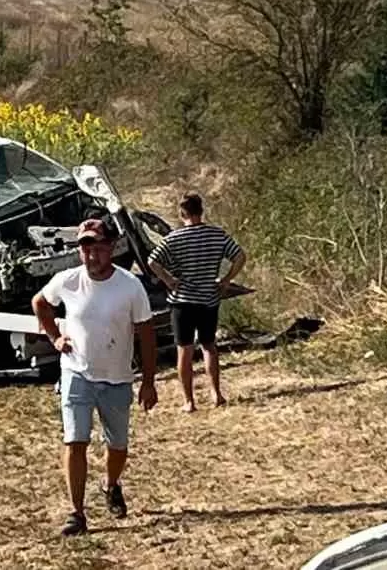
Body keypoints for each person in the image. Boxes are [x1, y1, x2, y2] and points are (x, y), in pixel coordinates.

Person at [32, 217, 158, 537]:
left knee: (117, 447)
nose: (92, 255)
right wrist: (55, 338)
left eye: (98, 248)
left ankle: (111, 483)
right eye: (86, 248)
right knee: (76, 440)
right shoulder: (67, 280)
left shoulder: (130, 286)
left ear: (112, 248)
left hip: (117, 377)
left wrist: (148, 381)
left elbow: (145, 333)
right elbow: (41, 303)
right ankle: (76, 513)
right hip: (77, 372)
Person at [147, 193, 245, 412]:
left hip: (182, 301)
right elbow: (239, 256)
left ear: (181, 213)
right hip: (208, 298)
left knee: (185, 350)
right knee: (209, 346)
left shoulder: (175, 238)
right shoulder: (216, 235)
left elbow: (152, 260)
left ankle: (189, 401)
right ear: (201, 210)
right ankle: (216, 393)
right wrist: (226, 280)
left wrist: (169, 280)